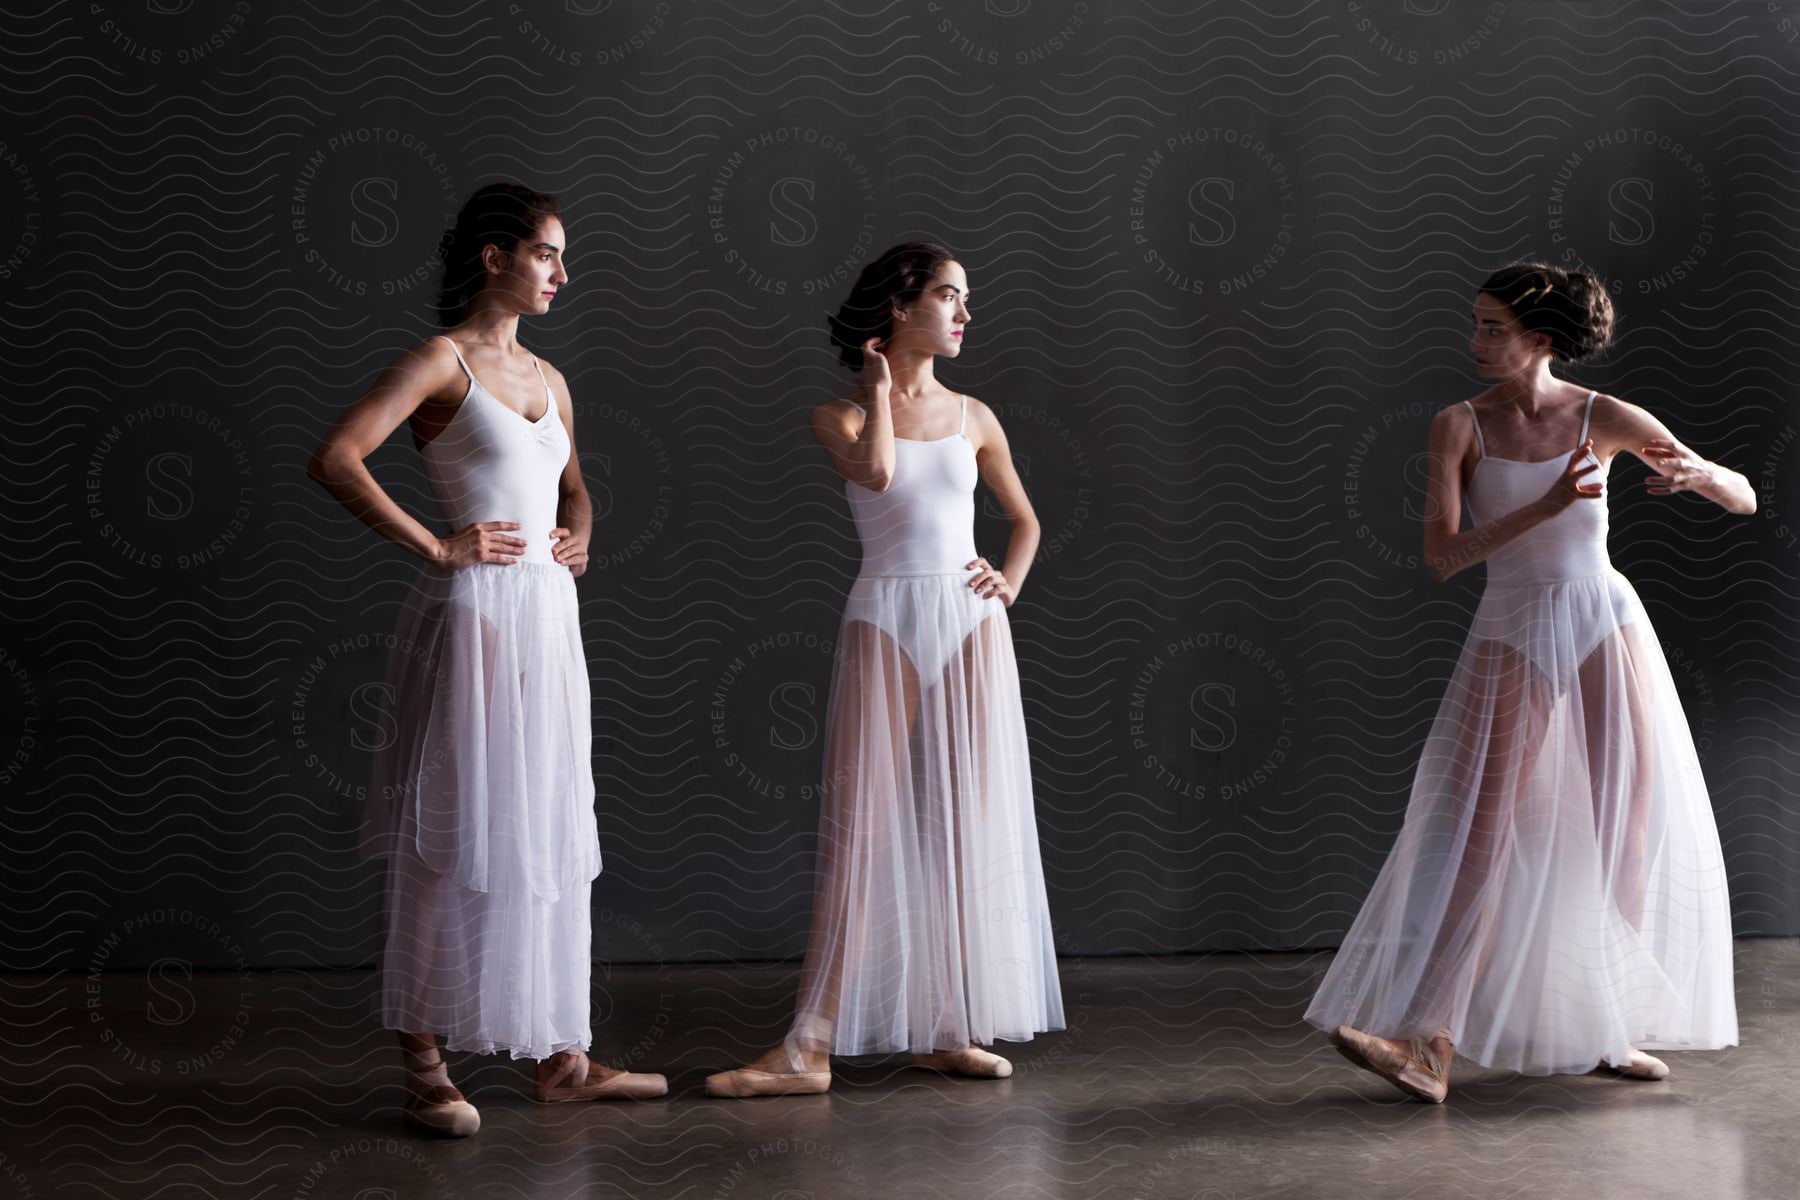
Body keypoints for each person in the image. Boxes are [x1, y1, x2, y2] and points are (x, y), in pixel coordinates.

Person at [1306, 260, 1748, 1102]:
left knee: (1628, 822)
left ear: (1541, 340)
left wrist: (1701, 476)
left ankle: (1608, 1025)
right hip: (1512, 626)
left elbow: (1745, 497)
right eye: (1474, 324)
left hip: (1602, 623)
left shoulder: (1602, 415)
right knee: (1478, 831)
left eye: (1491, 328)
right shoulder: (1458, 425)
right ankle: (1427, 1044)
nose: (1474, 341)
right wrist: (1544, 509)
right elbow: (1442, 557)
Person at [307, 182, 666, 1137]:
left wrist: (580, 534)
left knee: (543, 820)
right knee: (456, 822)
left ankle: (561, 1056)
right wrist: (437, 546)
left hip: (548, 622)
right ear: (496, 255)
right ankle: (425, 1065)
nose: (561, 271)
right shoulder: (440, 361)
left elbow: (574, 492)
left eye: (561, 256)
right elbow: (339, 456)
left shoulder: (551, 379)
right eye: (547, 253)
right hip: (471, 616)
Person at [705, 242, 1065, 1098]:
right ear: (900, 310)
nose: (964, 314)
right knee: (864, 830)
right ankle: (811, 1045)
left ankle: (945, 1026)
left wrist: (1004, 585)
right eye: (949, 297)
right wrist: (876, 387)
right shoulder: (838, 413)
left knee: (963, 824)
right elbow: (877, 470)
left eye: (965, 299)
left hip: (969, 624)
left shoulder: (977, 415)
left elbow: (1026, 523)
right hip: (888, 616)